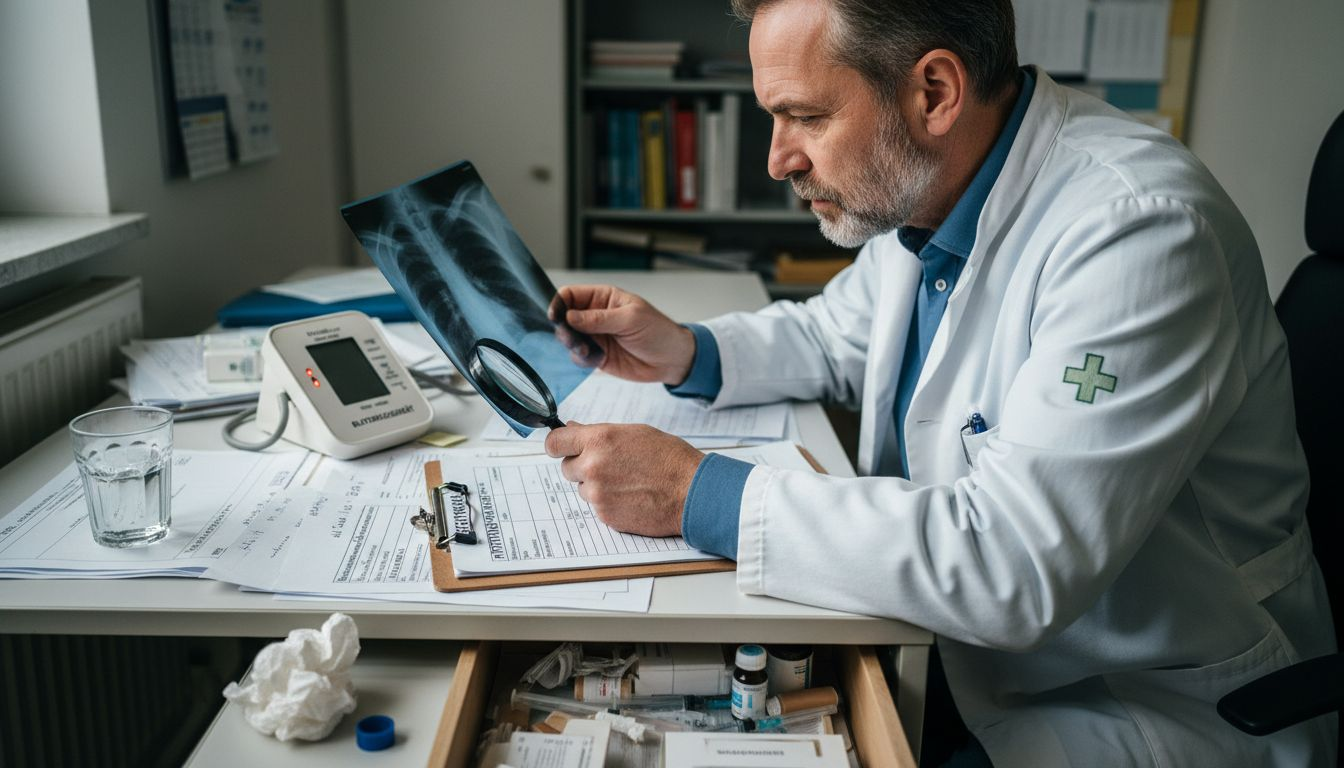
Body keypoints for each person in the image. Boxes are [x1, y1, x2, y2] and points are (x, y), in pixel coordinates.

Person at [544, 0, 1336, 764]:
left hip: (1135, 701)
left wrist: (696, 493)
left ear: (934, 92)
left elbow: (1014, 564)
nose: (778, 157)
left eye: (808, 117)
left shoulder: (1139, 230)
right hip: (954, 652)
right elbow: (836, 332)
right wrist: (685, 350)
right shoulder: (933, 182)